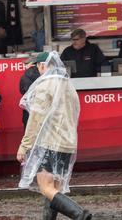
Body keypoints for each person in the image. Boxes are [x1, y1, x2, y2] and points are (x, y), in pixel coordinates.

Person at [17, 51, 92, 220]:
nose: (38, 70)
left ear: (43, 66)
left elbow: (35, 118)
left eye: (38, 66)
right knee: (53, 190)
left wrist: (24, 145)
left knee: (46, 188)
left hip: (49, 143)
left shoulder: (44, 85)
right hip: (67, 144)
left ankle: (80, 214)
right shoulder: (68, 85)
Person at [19, 57, 41, 130]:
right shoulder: (43, 74)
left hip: (28, 107)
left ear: (32, 64)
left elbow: (22, 90)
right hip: (41, 106)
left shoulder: (24, 76)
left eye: (26, 64)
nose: (25, 65)